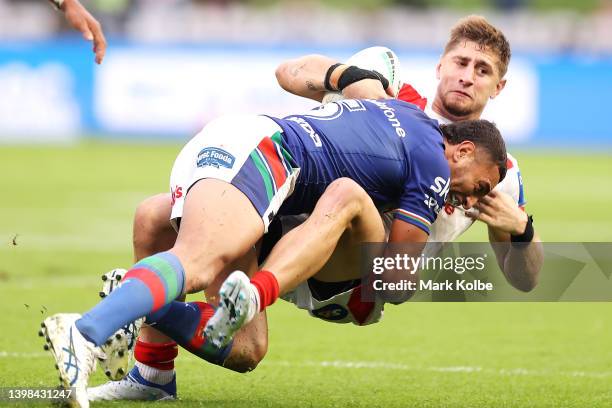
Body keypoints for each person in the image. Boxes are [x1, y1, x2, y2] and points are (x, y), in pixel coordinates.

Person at [88, 15, 543, 401]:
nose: (467, 75)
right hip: (290, 227)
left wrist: (521, 229)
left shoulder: (498, 173)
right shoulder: (392, 96)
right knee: (155, 217)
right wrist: (347, 78)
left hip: (358, 275)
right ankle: (152, 374)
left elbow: (525, 279)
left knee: (346, 194)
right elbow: (289, 72)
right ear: (441, 64)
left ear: (498, 86)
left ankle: (145, 303)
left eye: (482, 70)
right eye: (461, 62)